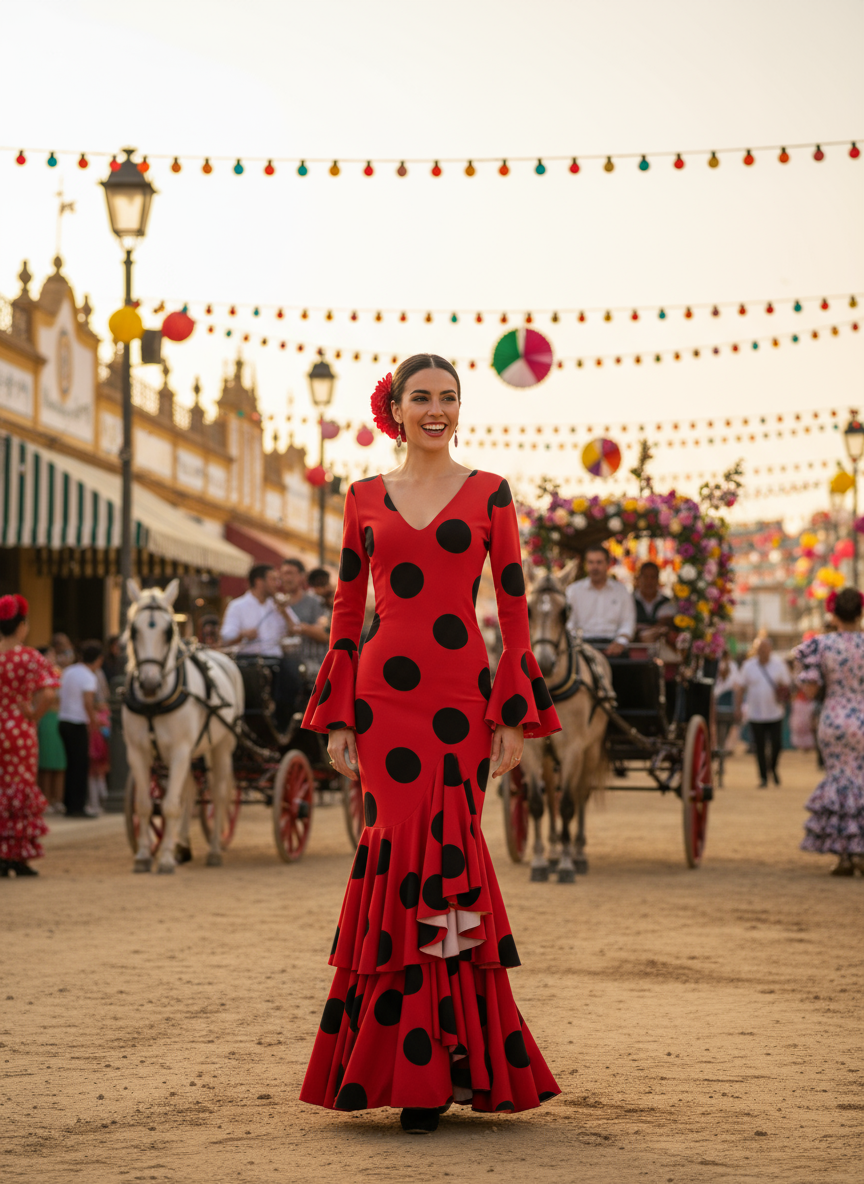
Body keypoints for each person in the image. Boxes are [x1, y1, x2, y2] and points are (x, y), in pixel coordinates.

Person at [300, 354, 560, 1132]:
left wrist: (512, 711)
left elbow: (513, 610)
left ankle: (448, 1057)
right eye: (423, 398)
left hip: (461, 701)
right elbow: (348, 611)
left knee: (450, 854)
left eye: (449, 397)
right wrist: (340, 715)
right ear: (397, 408)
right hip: (384, 702)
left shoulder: (491, 493)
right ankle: (405, 1063)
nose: (437, 408)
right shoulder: (362, 498)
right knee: (396, 850)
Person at [794, 587, 864, 875]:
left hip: (834, 719)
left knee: (840, 781)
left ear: (833, 613)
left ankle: (845, 856)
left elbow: (810, 690)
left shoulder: (821, 645)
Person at [0, 594, 60, 875]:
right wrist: (34, 714)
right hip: (20, 733)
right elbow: (48, 692)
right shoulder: (29, 657)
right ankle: (18, 856)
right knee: (20, 792)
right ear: (21, 625)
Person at [734, 637, 791, 787]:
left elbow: (786, 685)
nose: (762, 652)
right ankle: (763, 777)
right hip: (755, 713)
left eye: (764, 649)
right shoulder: (748, 666)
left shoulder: (779, 664)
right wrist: (738, 708)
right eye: (759, 649)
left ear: (770, 650)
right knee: (759, 746)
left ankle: (772, 768)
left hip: (775, 712)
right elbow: (740, 688)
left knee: (777, 745)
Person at [58, 641, 103, 817]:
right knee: (80, 765)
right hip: (77, 722)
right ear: (97, 659)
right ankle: (77, 806)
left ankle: (69, 803)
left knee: (70, 764)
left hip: (63, 720)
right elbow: (88, 703)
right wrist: (94, 723)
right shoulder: (89, 676)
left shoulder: (69, 671)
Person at [565, 543, 635, 655]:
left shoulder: (622, 591)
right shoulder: (573, 590)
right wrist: (577, 644)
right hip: (581, 647)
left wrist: (620, 642)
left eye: (599, 562)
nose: (594, 567)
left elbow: (628, 622)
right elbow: (569, 623)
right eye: (590, 562)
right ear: (585, 564)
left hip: (614, 648)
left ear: (608, 564)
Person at [36, 644, 66, 813]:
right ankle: (46, 798)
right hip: (46, 718)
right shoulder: (39, 674)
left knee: (59, 762)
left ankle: (58, 799)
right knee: (46, 762)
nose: (54, 658)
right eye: (51, 655)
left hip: (57, 717)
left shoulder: (58, 672)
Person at [633, 561, 676, 642]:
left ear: (658, 579)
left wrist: (641, 628)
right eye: (646, 577)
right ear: (639, 579)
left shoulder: (667, 602)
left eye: (653, 577)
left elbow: (665, 624)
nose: (649, 581)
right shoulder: (629, 601)